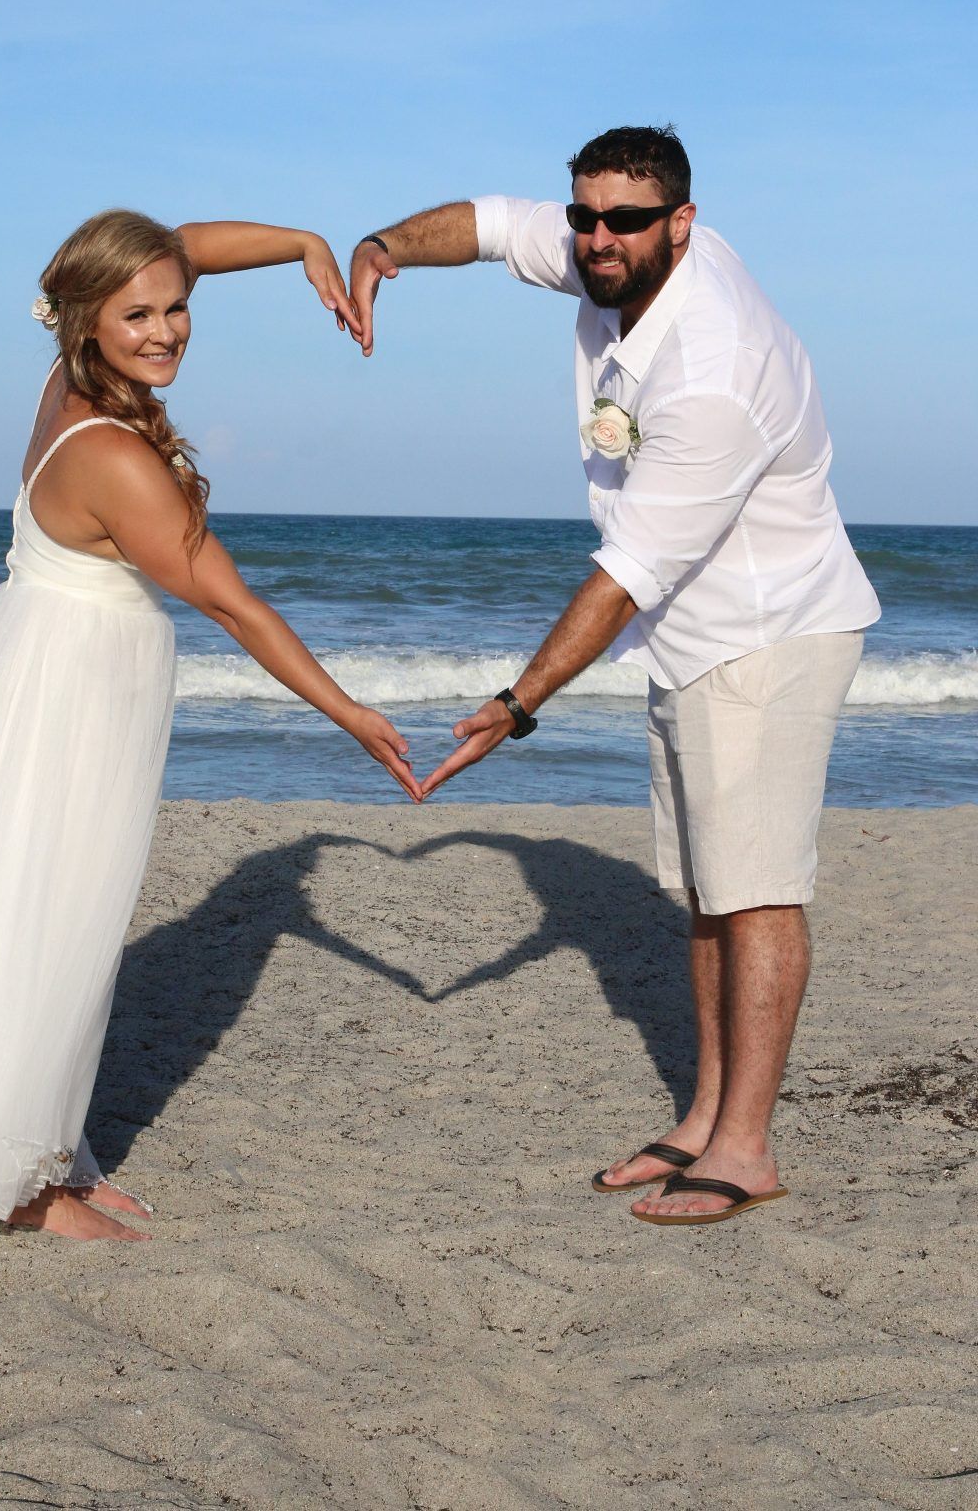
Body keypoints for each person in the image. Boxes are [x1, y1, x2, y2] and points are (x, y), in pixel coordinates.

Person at [0, 210, 420, 1246]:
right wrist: (348, 711)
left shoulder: (64, 383)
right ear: (87, 317)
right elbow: (234, 605)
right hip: (66, 704)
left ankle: (41, 1150)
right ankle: (19, 1185)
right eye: (139, 315)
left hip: (32, 674)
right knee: (44, 922)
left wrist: (300, 244)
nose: (165, 329)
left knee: (7, 914)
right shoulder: (115, 454)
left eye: (176, 309)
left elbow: (176, 245)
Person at [344, 126, 880, 1226]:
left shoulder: (715, 368)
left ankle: (747, 1147)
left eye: (626, 220)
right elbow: (492, 224)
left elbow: (628, 570)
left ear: (680, 223)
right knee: (702, 888)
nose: (597, 238)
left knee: (758, 893)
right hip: (691, 635)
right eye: (585, 215)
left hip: (768, 634)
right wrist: (383, 246)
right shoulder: (604, 249)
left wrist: (516, 706)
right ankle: (702, 1118)